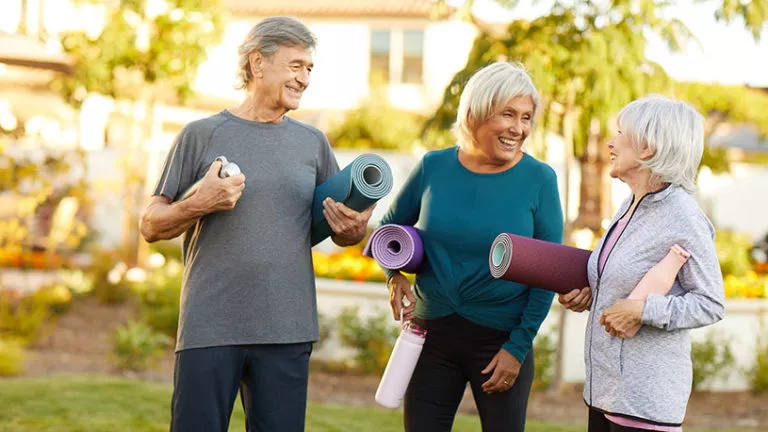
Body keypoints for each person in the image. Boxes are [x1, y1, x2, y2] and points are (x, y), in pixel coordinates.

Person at [139, 16, 374, 432]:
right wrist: (199, 202)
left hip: (287, 328)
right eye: (296, 65)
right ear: (257, 63)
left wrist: (353, 227)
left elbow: (343, 232)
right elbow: (151, 225)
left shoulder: (312, 142)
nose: (304, 78)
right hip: (210, 325)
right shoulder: (200, 134)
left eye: (309, 69)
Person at [381, 61, 564, 432]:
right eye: (508, 114)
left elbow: (548, 272)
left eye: (526, 117)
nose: (519, 128)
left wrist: (517, 348)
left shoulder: (539, 179)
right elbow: (389, 228)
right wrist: (393, 276)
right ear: (477, 112)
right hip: (430, 337)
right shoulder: (434, 166)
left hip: (500, 344)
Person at [558, 95, 725, 432]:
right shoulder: (630, 205)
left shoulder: (683, 215)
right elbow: (624, 281)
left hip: (645, 405)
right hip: (606, 396)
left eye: (620, 133)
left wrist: (642, 311)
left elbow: (711, 303)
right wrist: (592, 294)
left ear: (648, 149)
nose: (610, 142)